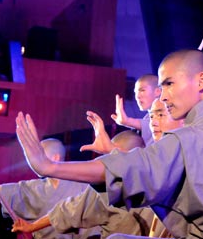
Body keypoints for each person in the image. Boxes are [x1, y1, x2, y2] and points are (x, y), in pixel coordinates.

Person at [14, 49, 203, 238]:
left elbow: (130, 168)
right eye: (160, 88)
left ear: (200, 81)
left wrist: (49, 166)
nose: (163, 95)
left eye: (168, 84)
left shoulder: (183, 142)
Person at [12, 99, 184, 238]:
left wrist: (49, 167)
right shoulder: (132, 172)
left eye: (161, 113)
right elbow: (73, 208)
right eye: (151, 115)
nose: (153, 121)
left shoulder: (189, 155)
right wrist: (33, 226)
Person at [0, 138, 103, 239]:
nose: (33, 162)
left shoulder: (84, 181)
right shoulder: (36, 188)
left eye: (39, 156)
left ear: (55, 158)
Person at [111, 74, 161, 145]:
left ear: (157, 91)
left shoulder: (168, 113)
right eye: (135, 92)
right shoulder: (147, 117)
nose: (137, 96)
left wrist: (127, 121)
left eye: (142, 90)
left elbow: (149, 125)